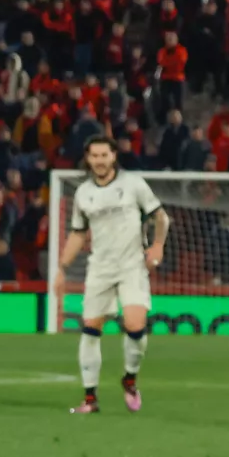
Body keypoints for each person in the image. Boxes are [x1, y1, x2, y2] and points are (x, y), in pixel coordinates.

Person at [54, 136, 170, 414]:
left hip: (132, 265)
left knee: (135, 325)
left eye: (104, 155)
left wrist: (157, 245)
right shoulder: (83, 193)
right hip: (100, 268)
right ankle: (90, 399)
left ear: (114, 156)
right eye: (94, 156)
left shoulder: (133, 185)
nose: (99, 161)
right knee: (91, 329)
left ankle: (129, 378)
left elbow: (161, 217)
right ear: (88, 158)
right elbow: (79, 233)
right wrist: (61, 268)